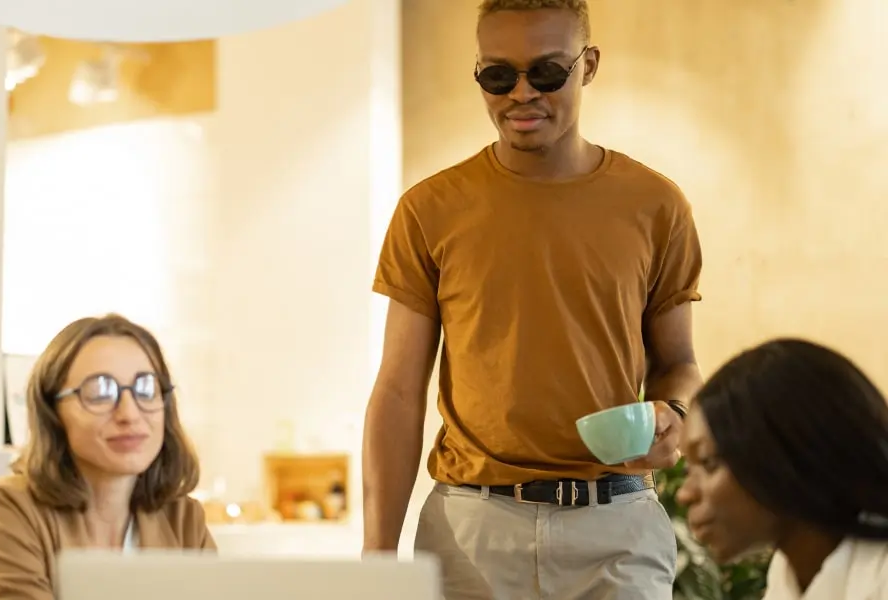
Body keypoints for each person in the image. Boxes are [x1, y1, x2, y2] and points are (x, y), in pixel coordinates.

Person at [361, 0, 704, 598]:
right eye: (498, 75)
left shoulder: (657, 205)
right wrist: (377, 556)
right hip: (472, 530)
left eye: (546, 73)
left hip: (617, 525)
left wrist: (674, 413)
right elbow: (396, 389)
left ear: (589, 65)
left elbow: (679, 364)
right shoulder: (428, 209)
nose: (521, 94)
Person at [0, 314, 213, 600]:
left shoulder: (184, 518)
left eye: (146, 389)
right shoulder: (9, 509)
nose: (129, 414)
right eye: (100, 392)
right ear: (53, 413)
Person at [677, 339, 888, 599]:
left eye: (708, 463)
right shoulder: (788, 573)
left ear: (786, 454)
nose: (685, 494)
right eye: (688, 469)